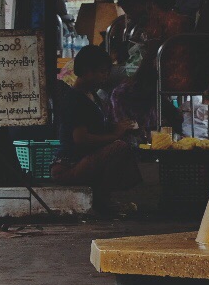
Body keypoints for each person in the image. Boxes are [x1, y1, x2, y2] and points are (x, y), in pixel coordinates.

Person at [51, 45, 142, 200]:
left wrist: (123, 128)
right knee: (118, 147)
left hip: (84, 162)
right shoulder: (74, 99)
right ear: (87, 71)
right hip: (68, 168)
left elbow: (98, 129)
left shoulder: (93, 96)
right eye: (102, 72)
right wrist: (115, 135)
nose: (105, 77)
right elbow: (81, 139)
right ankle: (102, 198)